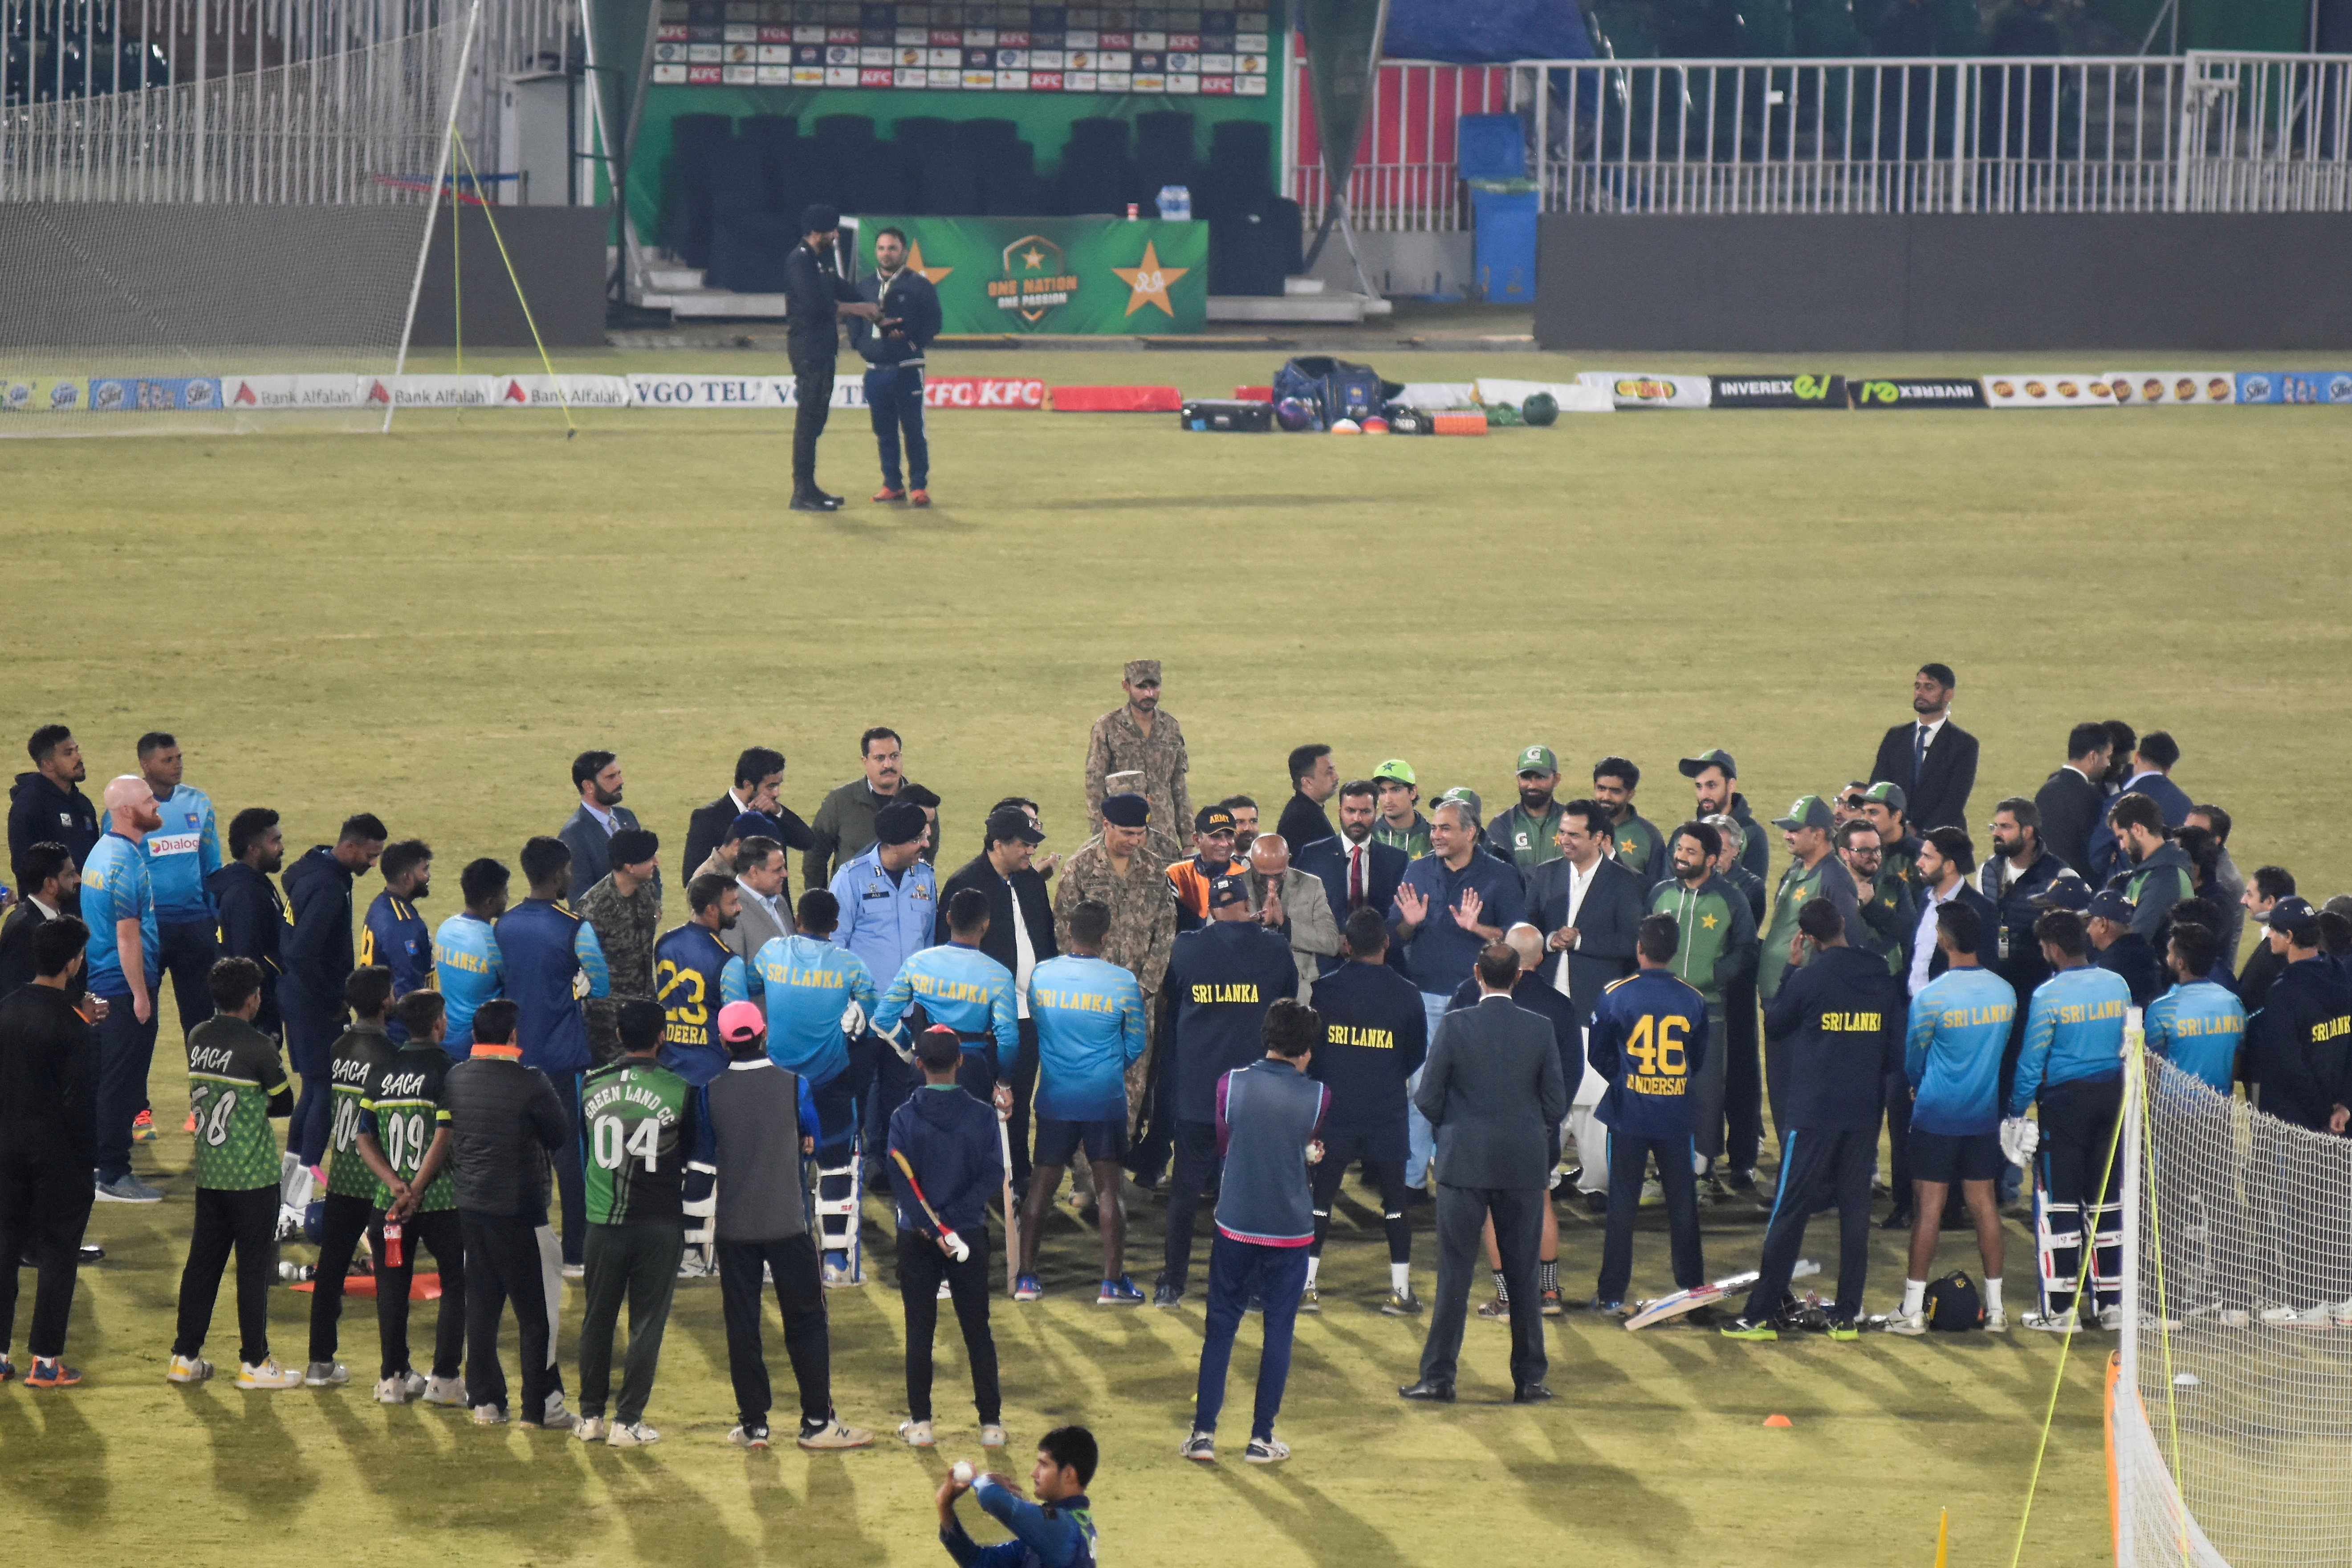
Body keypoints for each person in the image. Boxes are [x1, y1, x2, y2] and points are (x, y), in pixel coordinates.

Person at [1721, 898, 1901, 1340]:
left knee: (1790, 1210)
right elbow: (1894, 1050)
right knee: (1855, 1212)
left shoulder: (1808, 978)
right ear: (1842, 924)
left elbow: (1777, 1023)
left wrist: (1788, 969)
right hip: (1862, 1110)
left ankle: (1760, 1315)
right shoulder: (1879, 974)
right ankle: (1845, 1315)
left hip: (1814, 1112)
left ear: (1808, 938)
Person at [1402, 942, 1568, 1404]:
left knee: (1454, 1274)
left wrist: (1456, 1130)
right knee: (1523, 1272)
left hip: (1463, 1162)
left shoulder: (1455, 1025)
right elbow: (1555, 1103)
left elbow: (1426, 1096)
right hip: (1522, 1163)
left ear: (1477, 973)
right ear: (1517, 976)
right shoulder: (1539, 1027)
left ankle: (1438, 1377)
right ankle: (1529, 1379)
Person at [703, 1000, 869, 1449]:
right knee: (807, 1320)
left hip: (735, 1226)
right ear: (763, 1036)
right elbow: (810, 1137)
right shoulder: (793, 1084)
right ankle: (816, 1420)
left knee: (743, 1324)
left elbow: (706, 1146)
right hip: (787, 1222)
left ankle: (754, 1425)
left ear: (724, 1043)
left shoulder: (710, 1090)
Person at [1177, 998, 1327, 1465]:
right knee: (1278, 1330)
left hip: (1236, 1223)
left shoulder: (1231, 1084)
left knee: (1220, 1328)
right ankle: (1261, 1438)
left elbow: (1228, 1142)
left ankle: (1203, 1434)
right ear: (1305, 1048)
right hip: (1289, 1229)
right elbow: (1306, 1145)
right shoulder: (1319, 1095)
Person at [1151, 875, 1298, 1305]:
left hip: (1199, 1094)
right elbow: (1287, 1000)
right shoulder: (1274, 947)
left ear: (1211, 908)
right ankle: (1247, 1287)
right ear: (1248, 902)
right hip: (1254, 1096)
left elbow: (1171, 1000)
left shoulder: (1187, 948)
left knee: (1184, 1195)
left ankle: (1171, 1284)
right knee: (1249, 1195)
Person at [169, 956, 303, 1389]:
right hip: (252, 1177)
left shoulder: (198, 1035)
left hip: (210, 1174)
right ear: (252, 998)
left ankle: (184, 1356)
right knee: (253, 1268)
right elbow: (284, 1104)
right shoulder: (258, 1046)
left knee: (202, 1266)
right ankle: (255, 1361)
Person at [441, 997, 574, 1428]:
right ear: (513, 1036)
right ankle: (537, 1410)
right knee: (536, 1316)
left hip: (472, 1207)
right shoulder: (531, 1081)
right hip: (520, 1210)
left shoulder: (457, 1077)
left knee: (481, 1307)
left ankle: (485, 1401)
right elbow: (559, 1132)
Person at [1887, 902, 2017, 1335]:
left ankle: (1911, 1309)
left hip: (1936, 1116)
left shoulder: (1931, 997)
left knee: (1929, 1209)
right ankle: (1996, 1310)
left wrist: (1920, 1087)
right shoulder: (2004, 993)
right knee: (1983, 1206)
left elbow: (1913, 1061)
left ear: (1943, 939)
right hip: (1981, 1118)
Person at [1388, 797, 1526, 1193]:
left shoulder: (1499, 875)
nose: (1436, 835)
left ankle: (1468, 1175)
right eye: (1434, 828)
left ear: (1471, 832)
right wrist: (1409, 926)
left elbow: (1520, 937)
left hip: (1476, 1000)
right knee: (1420, 1089)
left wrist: (1480, 929)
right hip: (1424, 998)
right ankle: (1412, 1181)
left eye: (1446, 828)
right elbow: (1394, 934)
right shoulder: (1417, 869)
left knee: (1473, 1092)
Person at [573, 998, 694, 1447]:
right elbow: (688, 1151)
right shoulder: (681, 1089)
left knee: (596, 1319)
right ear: (661, 1036)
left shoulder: (589, 1084)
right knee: (646, 1321)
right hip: (659, 1220)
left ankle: (589, 1417)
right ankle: (628, 1421)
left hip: (603, 1222)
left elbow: (587, 1144)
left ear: (620, 1034)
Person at [742, 888, 877, 1283]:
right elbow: (874, 1005)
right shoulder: (851, 966)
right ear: (836, 926)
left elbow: (750, 985)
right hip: (829, 1082)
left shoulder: (771, 953)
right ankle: (836, 1261)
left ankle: (771, 1260)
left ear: (797, 918)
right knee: (836, 1166)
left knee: (777, 1167)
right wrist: (860, 1009)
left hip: (776, 1082)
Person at [2009, 908, 2134, 1332]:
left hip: (2065, 1106)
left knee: (2062, 1204)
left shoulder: (2050, 995)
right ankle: (2111, 1305)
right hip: (2111, 1100)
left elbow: (2032, 1061)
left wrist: (2015, 1110)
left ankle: (2062, 1310)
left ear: (2054, 949)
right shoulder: (2116, 984)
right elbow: (2127, 1043)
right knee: (2106, 1203)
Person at [1016, 900, 1147, 1303]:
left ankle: (1026, 1278)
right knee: (1109, 1187)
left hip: (1056, 1094)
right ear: (1106, 936)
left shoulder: (1043, 974)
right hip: (1103, 1097)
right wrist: (1108, 1066)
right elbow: (1137, 1042)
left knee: (1042, 1184)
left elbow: (1038, 1021)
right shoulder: (1123, 981)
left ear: (1068, 930)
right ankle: (1111, 1282)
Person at [1445, 923, 1578, 1317]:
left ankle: (1506, 1298)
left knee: (1492, 1211)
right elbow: (1570, 1072)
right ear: (1537, 959)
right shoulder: (1559, 1006)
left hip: (1481, 1130)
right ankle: (1549, 1294)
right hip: (1536, 1129)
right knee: (1542, 1201)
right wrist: (1550, 1120)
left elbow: (1447, 1068)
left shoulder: (1470, 995)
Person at [1301, 907, 1426, 1315]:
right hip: (1386, 1110)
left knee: (1320, 1200)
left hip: (1335, 1109)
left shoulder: (1323, 992)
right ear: (1387, 943)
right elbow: (1415, 1055)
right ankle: (1399, 1291)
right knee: (1394, 1203)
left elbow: (1312, 1054)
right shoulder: (1408, 993)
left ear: (1346, 945)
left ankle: (1307, 1288)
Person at [890, 1025, 1009, 1450]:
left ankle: (921, 1424)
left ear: (919, 1064)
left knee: (920, 1330)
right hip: (969, 1234)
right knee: (978, 1330)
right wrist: (953, 1224)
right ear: (961, 1061)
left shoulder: (902, 1118)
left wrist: (932, 1227)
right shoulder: (981, 1115)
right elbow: (993, 1173)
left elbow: (901, 1184)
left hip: (918, 1237)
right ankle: (991, 1425)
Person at [498, 835, 611, 1271]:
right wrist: (575, 987)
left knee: (516, 1151)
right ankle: (576, 1250)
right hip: (562, 1058)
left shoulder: (503, 925)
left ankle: (520, 1240)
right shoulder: (573, 927)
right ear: (558, 873)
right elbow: (599, 984)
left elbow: (499, 981)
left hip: (514, 1057)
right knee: (570, 1154)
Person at [1585, 916, 1709, 1312]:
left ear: (1640, 949)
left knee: (1622, 1204)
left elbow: (1598, 1052)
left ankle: (1611, 1294)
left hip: (1629, 1115)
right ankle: (1693, 1290)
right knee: (1683, 1204)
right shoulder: (1693, 998)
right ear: (1673, 951)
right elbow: (1698, 1057)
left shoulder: (1616, 994)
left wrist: (1626, 1079)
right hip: (1675, 1115)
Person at [351, 989, 468, 1408]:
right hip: (440, 1203)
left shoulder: (381, 1071)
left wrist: (396, 1185)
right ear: (439, 1023)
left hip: (390, 1209)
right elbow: (445, 1133)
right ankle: (444, 1378)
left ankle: (392, 1378)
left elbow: (363, 1135)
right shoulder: (448, 1070)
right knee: (457, 1280)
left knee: (392, 1284)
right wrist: (417, 1188)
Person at [1053, 792, 1174, 1175]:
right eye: (1127, 832)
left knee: (1133, 1089)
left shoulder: (1156, 870)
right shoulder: (1080, 869)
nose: (1135, 841)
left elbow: (1166, 933)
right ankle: (1082, 1174)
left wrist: (1145, 987)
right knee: (1087, 1087)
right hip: (1090, 1005)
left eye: (1141, 833)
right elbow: (1062, 932)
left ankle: (1112, 1170)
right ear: (1105, 824)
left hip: (1138, 1002)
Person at [939, 807, 1059, 1193]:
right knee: (977, 1101)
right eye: (1024, 844)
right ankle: (978, 1177)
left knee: (1019, 1099)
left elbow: (1046, 937)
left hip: (1029, 1013)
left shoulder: (1030, 882)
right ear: (998, 845)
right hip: (983, 1020)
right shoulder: (965, 884)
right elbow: (950, 956)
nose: (1030, 851)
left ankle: (1018, 1175)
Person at [0, 917, 97, 1387]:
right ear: (73, 961)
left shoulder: (5, 1010)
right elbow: (79, 1105)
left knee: (3, 1247)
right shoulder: (75, 1027)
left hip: (4, 1146)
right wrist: (85, 1166)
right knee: (59, 1252)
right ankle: (45, 1361)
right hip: (57, 1152)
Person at [303, 965, 403, 1387]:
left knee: (331, 1268)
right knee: (391, 1274)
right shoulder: (389, 1057)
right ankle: (394, 1370)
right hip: (380, 1180)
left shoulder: (340, 1046)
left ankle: (319, 1362)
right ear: (384, 1003)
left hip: (343, 1172)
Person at [1756, 796, 1869, 1158]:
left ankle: (1807, 1184)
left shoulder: (1834, 878)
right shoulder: (1798, 869)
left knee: (1797, 1100)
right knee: (1783, 1094)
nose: (1787, 835)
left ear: (1819, 834)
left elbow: (1850, 943)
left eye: (1795, 829)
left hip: (1803, 1005)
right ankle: (1800, 1179)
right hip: (1781, 996)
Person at [1649, 820, 1758, 1195]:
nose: (1680, 856)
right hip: (1660, 1009)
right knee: (1664, 1086)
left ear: (1712, 859)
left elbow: (1746, 948)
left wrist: (1713, 974)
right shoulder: (1660, 893)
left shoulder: (1731, 898)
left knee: (1705, 1090)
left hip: (1707, 1010)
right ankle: (1666, 1165)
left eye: (1690, 852)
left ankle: (1700, 1168)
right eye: (1679, 849)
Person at [281, 813, 388, 1168]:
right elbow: (301, 952)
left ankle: (289, 1185)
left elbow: (288, 878)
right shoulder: (329, 887)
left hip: (295, 997)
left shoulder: (316, 866)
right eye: (370, 856)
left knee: (312, 1088)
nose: (373, 864)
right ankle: (299, 1192)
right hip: (313, 1003)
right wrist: (333, 1000)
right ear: (349, 846)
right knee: (324, 1092)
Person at [82, 774, 164, 1203]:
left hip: (101, 981)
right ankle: (112, 1174)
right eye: (150, 800)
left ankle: (100, 1166)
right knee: (123, 1083)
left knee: (106, 1079)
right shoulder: (125, 862)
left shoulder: (102, 852)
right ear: (128, 811)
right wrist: (141, 995)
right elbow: (127, 936)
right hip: (121, 985)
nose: (157, 806)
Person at [875, 887, 1020, 1109]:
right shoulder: (998, 975)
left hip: (926, 1065)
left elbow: (883, 1018)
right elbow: (1008, 1040)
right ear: (986, 924)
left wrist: (913, 1051)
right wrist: (1004, 1082)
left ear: (949, 918)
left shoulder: (919, 963)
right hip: (972, 1069)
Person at [782, 202, 882, 511]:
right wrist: (859, 310)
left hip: (824, 348)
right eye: (832, 229)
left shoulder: (820, 259)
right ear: (816, 232)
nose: (836, 234)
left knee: (818, 418)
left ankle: (810, 487)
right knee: (808, 419)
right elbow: (816, 305)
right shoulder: (800, 262)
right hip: (808, 349)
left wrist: (876, 302)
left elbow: (841, 288)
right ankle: (801, 491)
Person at [135, 732, 222, 1055]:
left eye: (179, 758)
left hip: (196, 925)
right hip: (149, 927)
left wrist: (214, 915)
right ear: (146, 764)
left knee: (200, 1020)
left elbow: (211, 862)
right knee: (142, 1018)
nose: (177, 765)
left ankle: (200, 1102)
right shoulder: (128, 807)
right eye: (167, 760)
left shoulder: (198, 802)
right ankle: (138, 1105)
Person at [848, 224, 944, 505]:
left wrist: (912, 343)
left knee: (913, 428)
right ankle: (892, 484)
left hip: (907, 368)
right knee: (884, 430)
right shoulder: (864, 287)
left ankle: (919, 486)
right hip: (876, 370)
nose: (886, 253)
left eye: (892, 248)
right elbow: (853, 320)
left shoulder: (919, 285)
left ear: (903, 251)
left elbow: (934, 323)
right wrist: (862, 346)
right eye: (881, 248)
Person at [2242, 898, 2351, 1133]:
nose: (2269, 935)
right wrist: (2344, 1105)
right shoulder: (2341, 975)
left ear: (2290, 937)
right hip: (2338, 1119)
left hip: (2293, 1124)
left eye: (2274, 930)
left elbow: (2289, 1064)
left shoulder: (2284, 992)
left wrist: (2323, 1113)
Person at [935, 1425, 1101, 1567]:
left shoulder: (1064, 1530)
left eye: (1044, 1465)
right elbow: (980, 1562)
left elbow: (990, 1496)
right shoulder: (1065, 1527)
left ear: (1068, 1474)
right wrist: (945, 1506)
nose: (1034, 1473)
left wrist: (982, 1480)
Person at [809, 728, 938, 892]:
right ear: (865, 761)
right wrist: (821, 903)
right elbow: (815, 856)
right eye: (880, 758)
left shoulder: (921, 802)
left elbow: (928, 854)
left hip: (906, 897)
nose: (888, 764)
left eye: (894, 756)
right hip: (853, 900)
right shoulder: (840, 802)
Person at [1296, 781, 1408, 966]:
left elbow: (1398, 917)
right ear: (1340, 810)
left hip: (1380, 963)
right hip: (1328, 965)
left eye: (1365, 812)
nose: (1357, 818)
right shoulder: (1313, 856)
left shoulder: (1396, 861)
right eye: (1350, 811)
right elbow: (1301, 913)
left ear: (1376, 812)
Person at [576, 827, 662, 1063]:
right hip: (609, 1022)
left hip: (646, 1007)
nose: (656, 862)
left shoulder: (647, 889)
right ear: (629, 866)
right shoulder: (594, 908)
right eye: (649, 859)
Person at [1083, 661, 1191, 848]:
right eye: (1141, 687)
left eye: (1154, 686)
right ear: (1126, 686)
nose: (1149, 694)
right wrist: (1099, 837)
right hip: (1123, 833)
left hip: (1164, 836)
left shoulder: (1170, 726)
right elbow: (1095, 785)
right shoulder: (1108, 727)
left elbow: (1179, 785)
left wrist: (1188, 839)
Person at [1869, 663, 1979, 831]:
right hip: (1893, 837)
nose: (1920, 692)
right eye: (1918, 686)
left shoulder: (1964, 745)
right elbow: (1878, 787)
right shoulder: (1895, 737)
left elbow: (1953, 802)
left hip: (1941, 840)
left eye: (1929, 687)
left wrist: (1918, 833)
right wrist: (1899, 828)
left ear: (1948, 694)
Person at [682, 746, 814, 880]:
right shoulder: (707, 818)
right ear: (748, 786)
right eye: (771, 786)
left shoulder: (772, 813)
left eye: (778, 785)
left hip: (776, 901)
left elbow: (808, 842)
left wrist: (779, 811)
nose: (777, 793)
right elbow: (692, 879)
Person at [2143, 923, 2245, 1094]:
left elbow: (2152, 1070)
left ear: (2181, 963)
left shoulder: (2162, 1009)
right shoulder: (2233, 1004)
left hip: (2173, 1112)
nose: (2167, 959)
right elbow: (2236, 1058)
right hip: (2219, 1111)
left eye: (2170, 953)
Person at [212, 807, 287, 1040]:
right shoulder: (246, 894)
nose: (282, 848)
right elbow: (246, 960)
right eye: (275, 841)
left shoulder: (256, 883)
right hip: (253, 1013)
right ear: (254, 850)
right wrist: (258, 1004)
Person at [2086, 731, 2194, 884]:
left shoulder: (2119, 802)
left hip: (2126, 890)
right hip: (2172, 884)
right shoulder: (2185, 803)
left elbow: (2098, 858)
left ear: (2137, 757)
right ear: (2168, 769)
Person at [1244, 835, 1340, 1006]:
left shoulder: (1311, 885)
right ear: (1250, 862)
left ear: (1288, 859)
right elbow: (1215, 940)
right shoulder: (1234, 887)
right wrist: (1257, 926)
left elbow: (1331, 942)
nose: (1271, 883)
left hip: (1299, 994)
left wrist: (1286, 926)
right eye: (1264, 877)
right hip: (1247, 989)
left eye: (1279, 875)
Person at [1908, 828, 1999, 998]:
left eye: (1928, 857)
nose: (1919, 863)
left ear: (1949, 866)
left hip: (1948, 1011)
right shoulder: (1925, 898)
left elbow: (1986, 970)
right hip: (1912, 1006)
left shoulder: (1981, 909)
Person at [431, 858, 509, 1055]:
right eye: (505, 893)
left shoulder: (445, 928)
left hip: (445, 1036)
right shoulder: (494, 942)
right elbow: (513, 987)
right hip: (478, 1044)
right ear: (490, 902)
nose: (507, 898)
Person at [360, 839, 434, 1040]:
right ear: (408, 878)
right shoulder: (403, 924)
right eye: (424, 870)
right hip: (400, 1034)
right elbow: (407, 987)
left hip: (381, 1023)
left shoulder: (381, 904)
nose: (428, 876)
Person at [558, 750, 646, 903]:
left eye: (619, 774)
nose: (620, 781)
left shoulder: (627, 817)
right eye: (611, 777)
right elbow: (580, 898)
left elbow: (649, 865)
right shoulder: (573, 835)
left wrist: (654, 905)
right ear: (588, 786)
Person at [2107, 794, 2194, 945]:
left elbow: (2136, 941)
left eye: (2121, 837)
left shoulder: (2165, 878)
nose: (2121, 847)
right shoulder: (2148, 873)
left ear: (2137, 829)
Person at [8, 725, 98, 870]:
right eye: (68, 753)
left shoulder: (84, 804)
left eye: (77, 750)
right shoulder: (29, 806)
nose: (79, 757)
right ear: (48, 764)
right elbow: (24, 867)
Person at [2035, 723, 2114, 879]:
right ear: (2093, 756)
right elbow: (2097, 853)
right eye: (2108, 757)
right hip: (2080, 888)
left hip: (2045, 884)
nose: (2109, 764)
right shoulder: (2091, 797)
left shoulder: (2046, 790)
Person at [0, 842, 78, 997]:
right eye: (70, 875)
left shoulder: (49, 919)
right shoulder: (24, 929)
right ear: (50, 884)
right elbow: (13, 997)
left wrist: (80, 1005)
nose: (78, 879)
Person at [1680, 749, 1768, 881]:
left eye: (1712, 785)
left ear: (1731, 785)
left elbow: (1751, 890)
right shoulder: (1683, 834)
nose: (1704, 795)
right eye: (1699, 787)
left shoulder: (1752, 835)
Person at [2181, 804, 2246, 965]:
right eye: (2185, 828)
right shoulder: (2202, 864)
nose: (2185, 836)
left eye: (2195, 831)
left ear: (2215, 841)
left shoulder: (2223, 880)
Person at [1486, 745, 1565, 872]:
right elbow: (1502, 875)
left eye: (1540, 777)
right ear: (1518, 779)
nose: (1532, 785)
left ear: (1556, 779)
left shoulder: (1571, 822)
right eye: (1526, 777)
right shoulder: (1502, 825)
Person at [1592, 756, 1668, 888]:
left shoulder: (1649, 837)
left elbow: (1656, 890)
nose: (1606, 797)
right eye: (1601, 789)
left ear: (1630, 794)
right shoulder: (1577, 827)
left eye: (1615, 791)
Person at [1167, 805, 1242, 934]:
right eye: (1216, 837)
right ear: (1197, 840)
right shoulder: (1178, 875)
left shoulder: (1244, 873)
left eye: (1229, 836)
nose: (1224, 844)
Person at [2086, 890, 2165, 1008]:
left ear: (2103, 924)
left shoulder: (2109, 967)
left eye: (2090, 923)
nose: (2088, 930)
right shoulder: (2149, 954)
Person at [2235, 865, 2297, 1013]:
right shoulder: (2285, 939)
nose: (2243, 900)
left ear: (2270, 902)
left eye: (2250, 895)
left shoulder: (2279, 949)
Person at [1858, 782, 1925, 896]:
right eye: (1864, 812)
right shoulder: (1856, 849)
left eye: (1873, 813)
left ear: (1896, 816)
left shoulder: (1921, 854)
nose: (1865, 819)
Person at [1274, 743, 1338, 854]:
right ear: (1307, 782)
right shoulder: (1304, 820)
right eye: (1329, 772)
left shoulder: (1304, 809)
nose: (1336, 777)